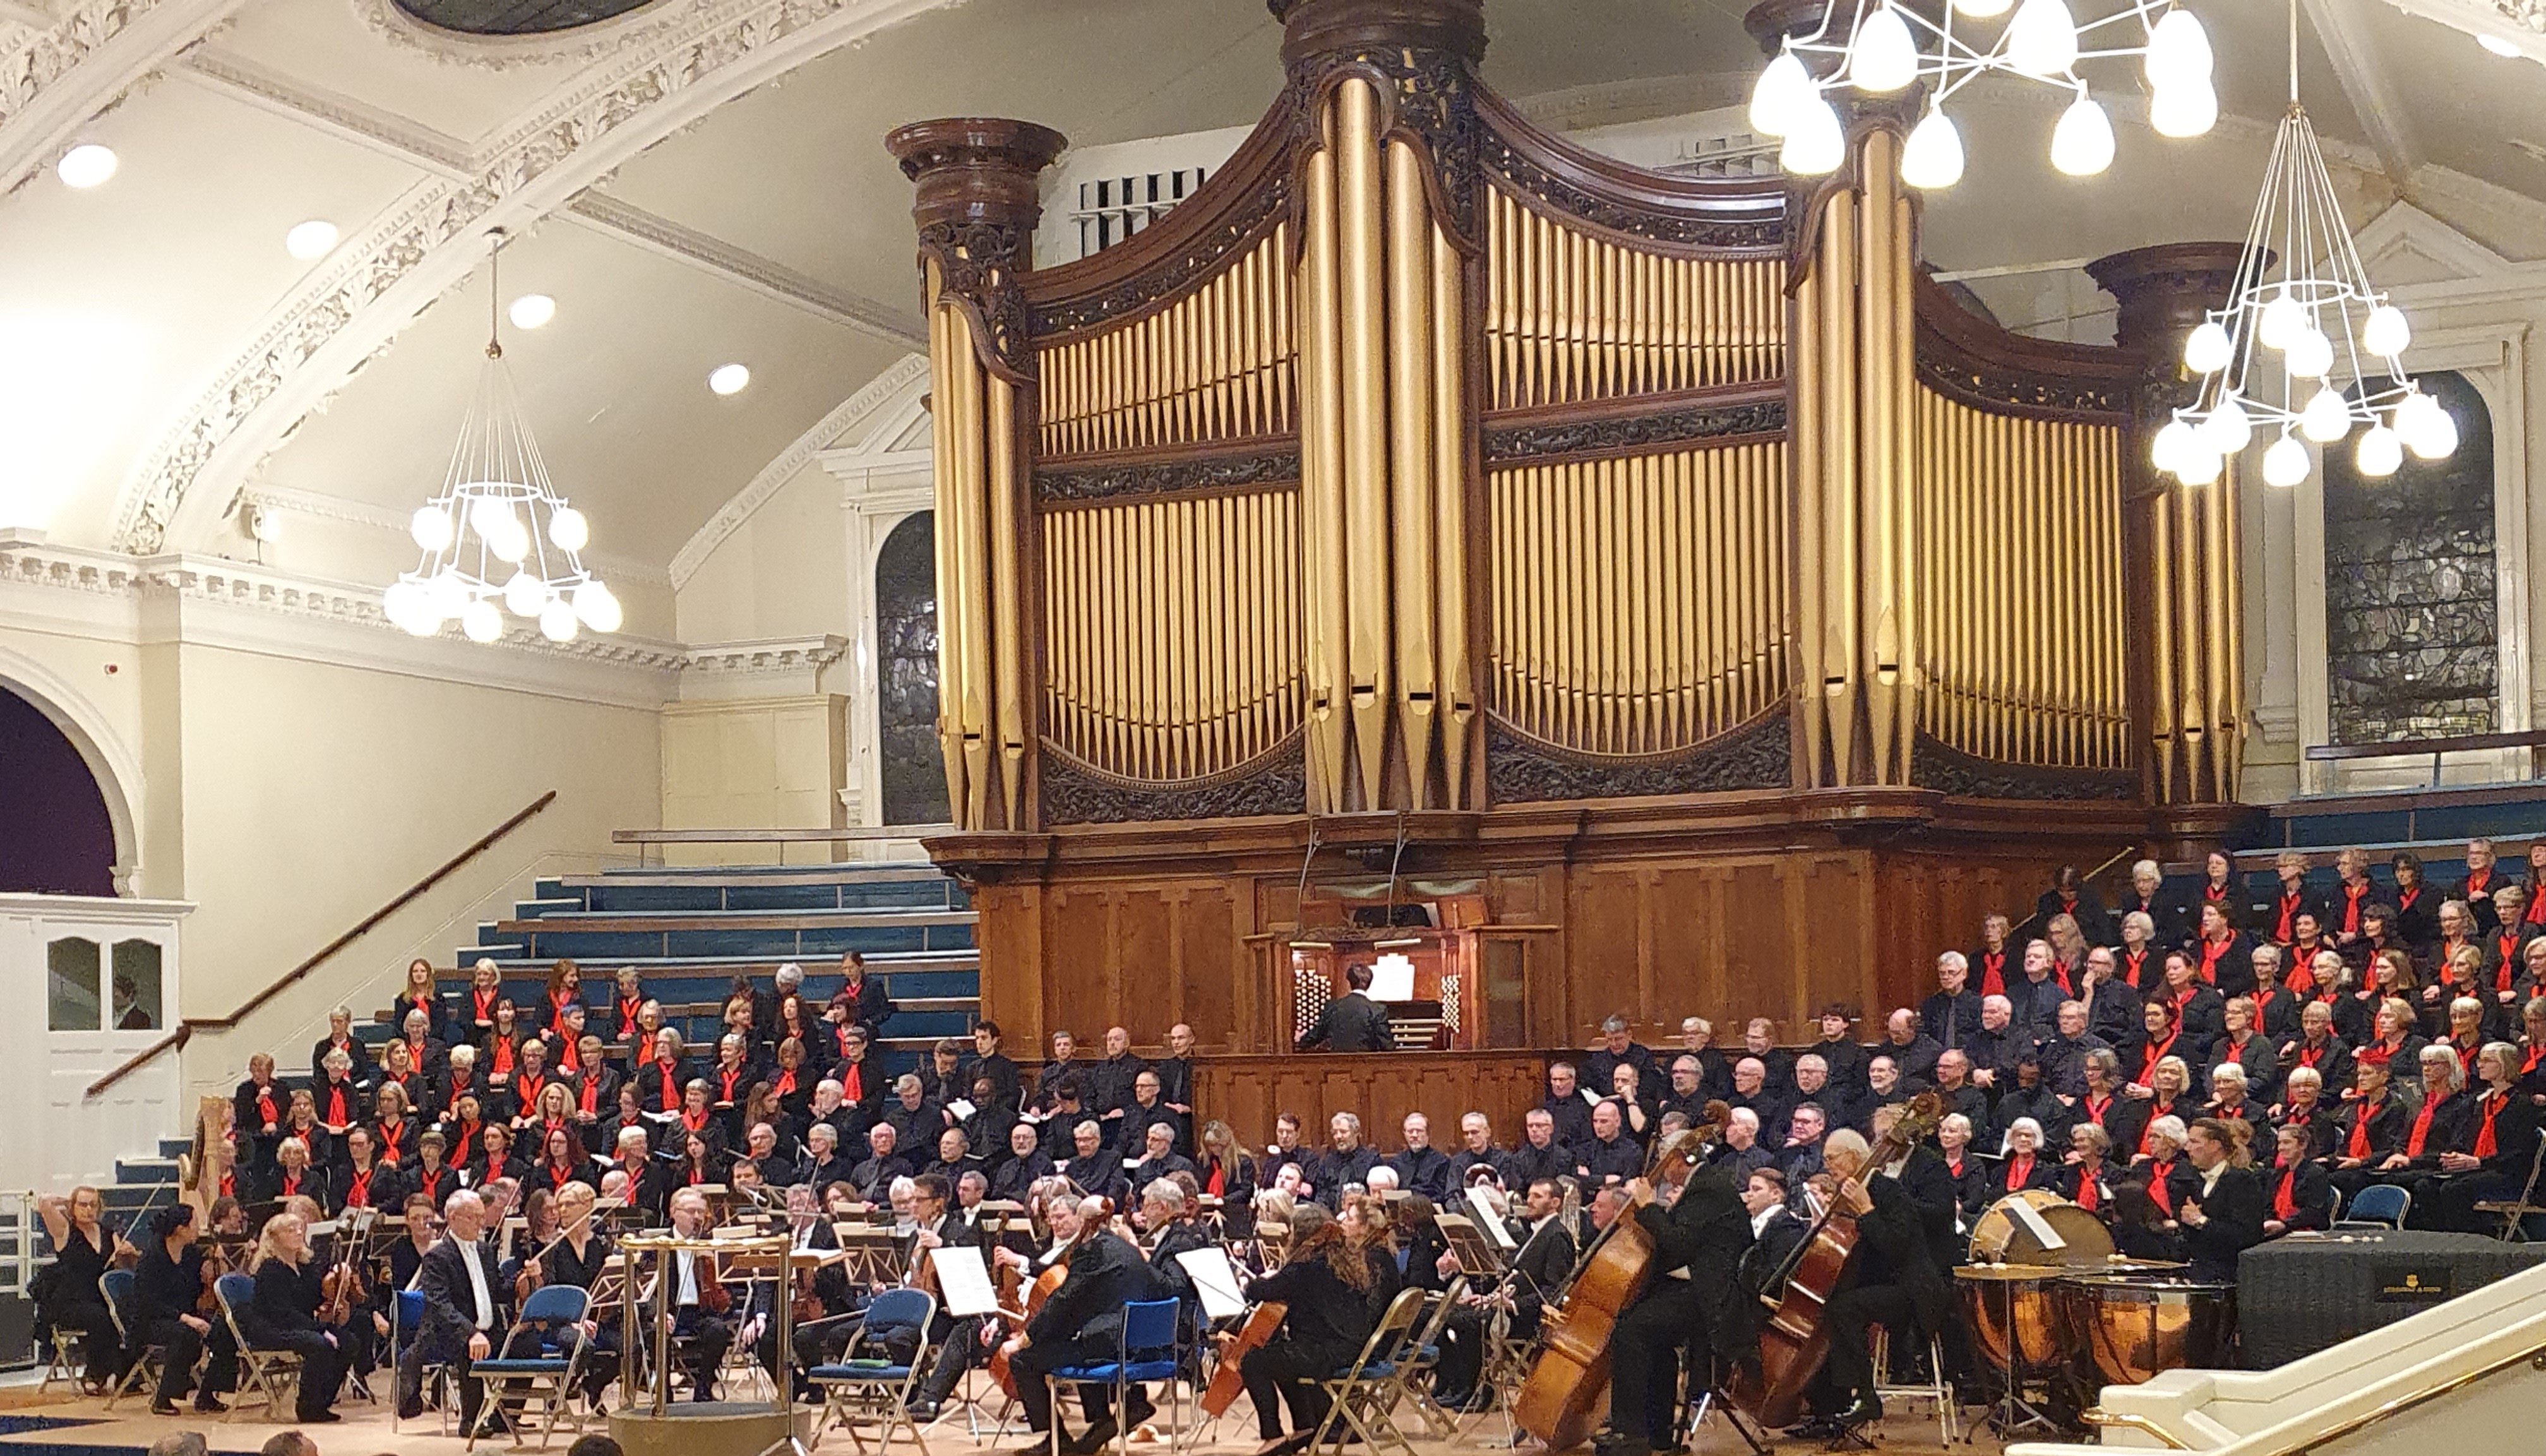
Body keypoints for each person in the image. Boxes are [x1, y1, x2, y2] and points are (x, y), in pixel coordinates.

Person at [1593, 1133, 1749, 1456]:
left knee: (1632, 1330)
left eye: (1665, 1161)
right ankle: (1656, 1430)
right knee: (1649, 1333)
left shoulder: (1709, 1188)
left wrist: (1649, 1206)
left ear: (1679, 1160)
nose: (1663, 1170)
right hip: (1691, 1288)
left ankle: (1631, 1433)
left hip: (1710, 1298)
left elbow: (1679, 1244)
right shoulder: (1704, 1186)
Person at [1798, 1128, 1951, 1436]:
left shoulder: (1889, 1192)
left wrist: (1866, 1209)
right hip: (1885, 1285)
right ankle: (1830, 1404)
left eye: (1832, 1157)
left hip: (1914, 1291)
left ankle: (1866, 1399)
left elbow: (1895, 1248)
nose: (1827, 1164)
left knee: (1843, 1309)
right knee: (1833, 1307)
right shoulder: (1847, 1195)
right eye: (1825, 1158)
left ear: (1854, 1157)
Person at [1000, 1193, 1154, 1453]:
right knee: (1076, 1343)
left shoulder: (1090, 1251)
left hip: (1109, 1345)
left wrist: (1025, 1339)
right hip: (1137, 1342)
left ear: (1083, 1222)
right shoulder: (1126, 1247)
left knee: (1023, 1360)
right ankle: (1101, 1423)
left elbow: (1064, 1298)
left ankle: (1056, 1439)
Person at [1233, 1202, 1377, 1456]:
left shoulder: (1304, 1268)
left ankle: (1273, 1436)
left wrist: (1250, 1281)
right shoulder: (1347, 1261)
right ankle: (1305, 1428)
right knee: (1282, 1358)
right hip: (1354, 1348)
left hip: (1325, 1352)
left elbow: (1261, 1291)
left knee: (1253, 1360)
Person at [398, 1189, 502, 1428]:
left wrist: (525, 1281)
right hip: (447, 1333)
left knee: (527, 1344)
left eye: (481, 1216)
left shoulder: (486, 1251)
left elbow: (497, 1292)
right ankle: (471, 1422)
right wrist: (471, 1333)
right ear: (453, 1218)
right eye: (474, 1216)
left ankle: (504, 1415)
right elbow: (440, 1304)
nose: (481, 1222)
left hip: (486, 1330)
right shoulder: (437, 1257)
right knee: (469, 1349)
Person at [243, 1211, 349, 1424]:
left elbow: (314, 1299)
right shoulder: (270, 1269)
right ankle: (307, 1407)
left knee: (349, 1342)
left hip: (296, 1326)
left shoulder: (304, 1266)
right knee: (317, 1343)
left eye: (300, 1228)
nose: (299, 1232)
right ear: (274, 1238)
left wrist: (336, 1280)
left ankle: (322, 1402)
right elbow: (282, 1313)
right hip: (271, 1329)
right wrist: (320, 1329)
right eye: (290, 1230)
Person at [131, 1203, 236, 1414]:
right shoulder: (152, 1258)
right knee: (185, 1334)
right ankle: (163, 1398)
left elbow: (196, 1289)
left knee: (225, 1330)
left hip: (185, 1315)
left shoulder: (190, 1254)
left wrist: (211, 1271)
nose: (199, 1229)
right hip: (150, 1320)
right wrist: (185, 1318)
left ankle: (208, 1394)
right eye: (195, 1224)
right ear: (181, 1229)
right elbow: (149, 1302)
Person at [33, 1188, 127, 1394]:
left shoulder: (109, 1235)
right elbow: (43, 1203)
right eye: (82, 1205)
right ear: (73, 1208)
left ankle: (126, 1372)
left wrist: (127, 1254)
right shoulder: (65, 1230)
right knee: (100, 1317)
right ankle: (95, 1374)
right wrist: (66, 1200)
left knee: (123, 1313)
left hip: (100, 1299)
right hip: (70, 1303)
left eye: (93, 1205)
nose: (88, 1210)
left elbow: (119, 1269)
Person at [2171, 1118, 2265, 1282]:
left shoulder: (2242, 1181)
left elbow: (2247, 1235)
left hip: (2229, 1278)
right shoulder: (2196, 1180)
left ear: (2215, 1145)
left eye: (2194, 1142)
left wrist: (2200, 1221)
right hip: (2199, 1273)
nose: (2187, 1148)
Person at [1295, 964, 1396, 1052]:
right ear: (1369, 984)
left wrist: (1301, 1039)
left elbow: (1315, 1036)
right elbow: (1387, 1047)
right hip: (1366, 1069)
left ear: (1349, 983)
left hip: (1336, 1070)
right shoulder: (1377, 1010)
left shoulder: (1332, 1007)